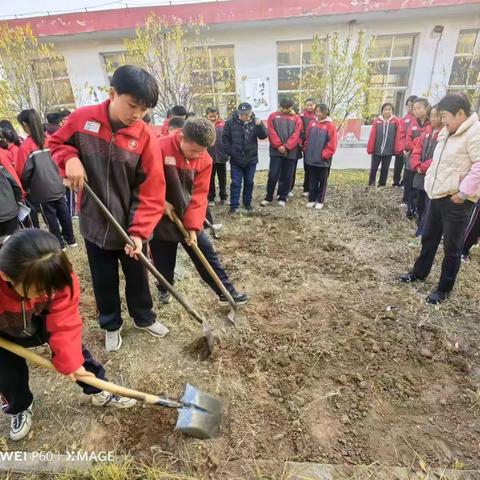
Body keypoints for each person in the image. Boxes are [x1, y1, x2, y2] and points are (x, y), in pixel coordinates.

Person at [49, 65, 168, 352]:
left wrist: (140, 232)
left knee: (138, 277)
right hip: (95, 221)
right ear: (112, 93)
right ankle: (111, 324)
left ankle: (143, 316)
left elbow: (151, 190)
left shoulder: (145, 137)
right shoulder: (81, 120)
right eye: (132, 105)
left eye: (144, 109)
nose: (137, 114)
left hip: (131, 227)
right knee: (103, 280)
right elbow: (56, 144)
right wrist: (69, 159)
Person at [0, 230, 136, 441]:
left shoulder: (57, 272)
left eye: (49, 288)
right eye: (39, 289)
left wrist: (71, 362)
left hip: (42, 318)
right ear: (6, 276)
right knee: (6, 372)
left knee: (77, 356)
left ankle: (99, 389)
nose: (46, 292)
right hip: (4, 327)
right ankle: (19, 407)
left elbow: (65, 321)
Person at [149, 118, 248, 306]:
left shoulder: (205, 159)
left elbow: (199, 195)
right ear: (181, 137)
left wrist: (193, 227)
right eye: (193, 150)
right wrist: (159, 202)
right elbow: (142, 179)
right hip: (159, 216)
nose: (196, 156)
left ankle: (226, 292)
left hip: (187, 214)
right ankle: (164, 288)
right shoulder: (159, 147)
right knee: (163, 260)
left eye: (201, 151)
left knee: (206, 253)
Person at [400, 94, 480, 304]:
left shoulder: (474, 133)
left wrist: (462, 193)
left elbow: (479, 166)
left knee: (452, 247)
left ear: (460, 113)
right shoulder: (447, 131)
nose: (442, 120)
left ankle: (444, 289)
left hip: (456, 200)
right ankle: (419, 273)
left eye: (445, 116)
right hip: (436, 194)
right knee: (429, 237)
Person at [15, 109, 77, 249]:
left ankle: (59, 243)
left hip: (41, 189)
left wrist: (27, 188)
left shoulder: (26, 147)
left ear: (25, 125)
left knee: (50, 217)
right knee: (63, 212)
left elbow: (23, 172)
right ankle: (71, 239)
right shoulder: (50, 140)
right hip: (58, 184)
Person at [222, 102, 267, 214]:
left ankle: (247, 203)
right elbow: (225, 139)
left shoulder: (255, 122)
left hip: (251, 158)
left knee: (249, 182)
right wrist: (230, 152)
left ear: (250, 113)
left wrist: (260, 125)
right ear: (238, 113)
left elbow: (263, 136)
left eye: (246, 114)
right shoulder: (230, 123)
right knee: (236, 183)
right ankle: (234, 206)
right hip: (236, 159)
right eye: (242, 114)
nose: (244, 116)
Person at [261, 98, 302, 207]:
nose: (285, 110)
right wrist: (279, 145)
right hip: (276, 151)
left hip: (291, 151)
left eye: (287, 108)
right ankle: (268, 197)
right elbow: (271, 131)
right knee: (273, 174)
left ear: (291, 107)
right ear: (280, 106)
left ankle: (282, 196)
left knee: (287, 175)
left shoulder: (296, 118)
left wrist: (287, 146)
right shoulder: (273, 116)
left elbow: (296, 134)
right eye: (283, 108)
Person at [410, 105, 441, 237]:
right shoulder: (426, 133)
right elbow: (417, 150)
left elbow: (437, 157)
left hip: (430, 173)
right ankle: (420, 222)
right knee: (420, 200)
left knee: (429, 204)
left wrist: (422, 167)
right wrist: (416, 164)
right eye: (432, 116)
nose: (433, 119)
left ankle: (423, 229)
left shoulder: (444, 135)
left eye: (437, 116)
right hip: (419, 173)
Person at [303, 104, 337, 210]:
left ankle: (320, 200)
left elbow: (332, 143)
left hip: (323, 160)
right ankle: (312, 199)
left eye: (320, 112)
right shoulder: (312, 123)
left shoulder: (330, 125)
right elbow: (307, 138)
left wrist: (324, 154)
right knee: (312, 180)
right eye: (316, 111)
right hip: (312, 158)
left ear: (325, 112)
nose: (318, 114)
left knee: (322, 181)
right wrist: (306, 149)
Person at [403, 97, 431, 218]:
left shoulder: (431, 124)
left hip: (423, 163)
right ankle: (410, 210)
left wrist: (417, 143)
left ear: (426, 108)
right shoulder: (413, 123)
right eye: (414, 109)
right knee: (410, 186)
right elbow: (407, 141)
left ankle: (420, 213)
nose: (416, 111)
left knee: (420, 189)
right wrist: (417, 145)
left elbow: (427, 143)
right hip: (412, 161)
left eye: (419, 108)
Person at [367, 102, 403, 187]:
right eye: (385, 110)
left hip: (388, 151)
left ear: (392, 111)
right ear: (382, 111)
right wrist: (370, 148)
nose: (387, 111)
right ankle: (371, 184)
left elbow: (398, 135)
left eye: (389, 110)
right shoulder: (377, 121)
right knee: (373, 168)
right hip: (377, 150)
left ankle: (382, 184)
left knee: (385, 169)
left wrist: (397, 148)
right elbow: (372, 135)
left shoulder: (396, 121)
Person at [393, 95, 418, 187]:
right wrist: (403, 149)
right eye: (408, 106)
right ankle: (396, 182)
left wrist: (412, 149)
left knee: (408, 168)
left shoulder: (419, 121)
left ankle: (405, 182)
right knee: (398, 165)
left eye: (412, 106)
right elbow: (401, 135)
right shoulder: (403, 120)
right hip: (402, 148)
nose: (410, 108)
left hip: (413, 149)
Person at [206, 107, 229, 206]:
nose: (212, 118)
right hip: (208, 157)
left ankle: (223, 197)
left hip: (221, 156)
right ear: (207, 115)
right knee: (210, 179)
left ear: (218, 115)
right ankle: (211, 198)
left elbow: (228, 139)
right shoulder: (204, 125)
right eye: (210, 116)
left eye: (214, 116)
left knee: (222, 178)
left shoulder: (223, 124)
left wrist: (227, 151)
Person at [298, 98, 317, 197]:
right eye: (307, 105)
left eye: (311, 105)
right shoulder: (301, 115)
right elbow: (299, 129)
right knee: (307, 167)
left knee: (314, 167)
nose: (309, 107)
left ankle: (313, 187)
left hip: (316, 144)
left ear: (315, 106)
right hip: (306, 144)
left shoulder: (318, 115)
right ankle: (306, 188)